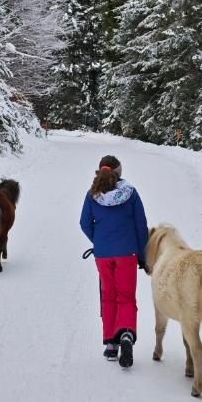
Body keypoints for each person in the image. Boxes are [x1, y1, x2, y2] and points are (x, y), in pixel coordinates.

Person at [79, 154, 149, 368]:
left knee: (108, 296)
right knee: (126, 297)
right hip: (127, 254)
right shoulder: (130, 193)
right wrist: (143, 256)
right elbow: (141, 226)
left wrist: (99, 241)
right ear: (119, 172)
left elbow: (84, 223)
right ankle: (126, 333)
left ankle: (111, 344)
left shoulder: (92, 195)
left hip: (103, 256)